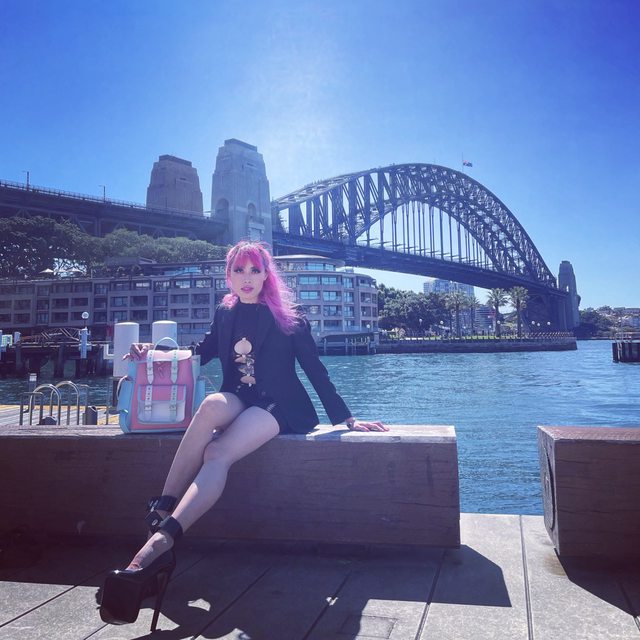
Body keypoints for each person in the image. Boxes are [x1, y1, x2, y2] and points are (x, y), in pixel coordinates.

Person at [100, 240, 386, 630]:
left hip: (279, 406)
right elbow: (199, 353)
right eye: (239, 270)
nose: (247, 278)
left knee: (217, 453)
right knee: (209, 407)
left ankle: (163, 538)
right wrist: (151, 353)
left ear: (266, 274)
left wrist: (347, 419)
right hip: (240, 395)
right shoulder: (226, 312)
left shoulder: (290, 317)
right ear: (229, 276)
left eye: (255, 270)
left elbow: (315, 372)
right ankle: (163, 508)